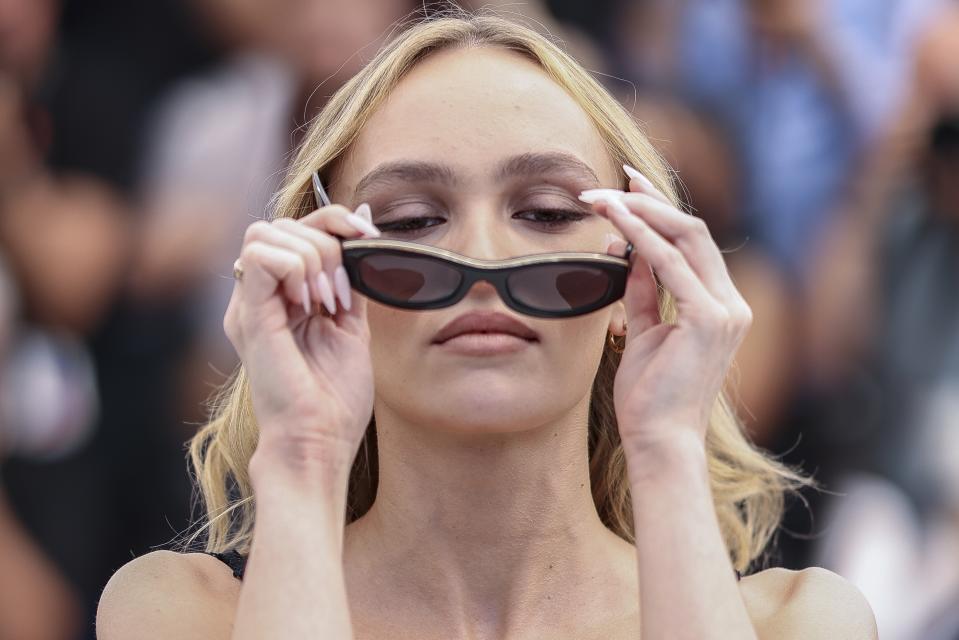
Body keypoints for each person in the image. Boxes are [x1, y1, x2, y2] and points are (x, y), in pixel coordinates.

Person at [96, 12, 877, 639]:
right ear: (325, 275)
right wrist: (301, 455)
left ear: (635, 272)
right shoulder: (185, 616)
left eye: (544, 212)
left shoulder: (798, 622)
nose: (481, 256)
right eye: (413, 218)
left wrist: (666, 446)